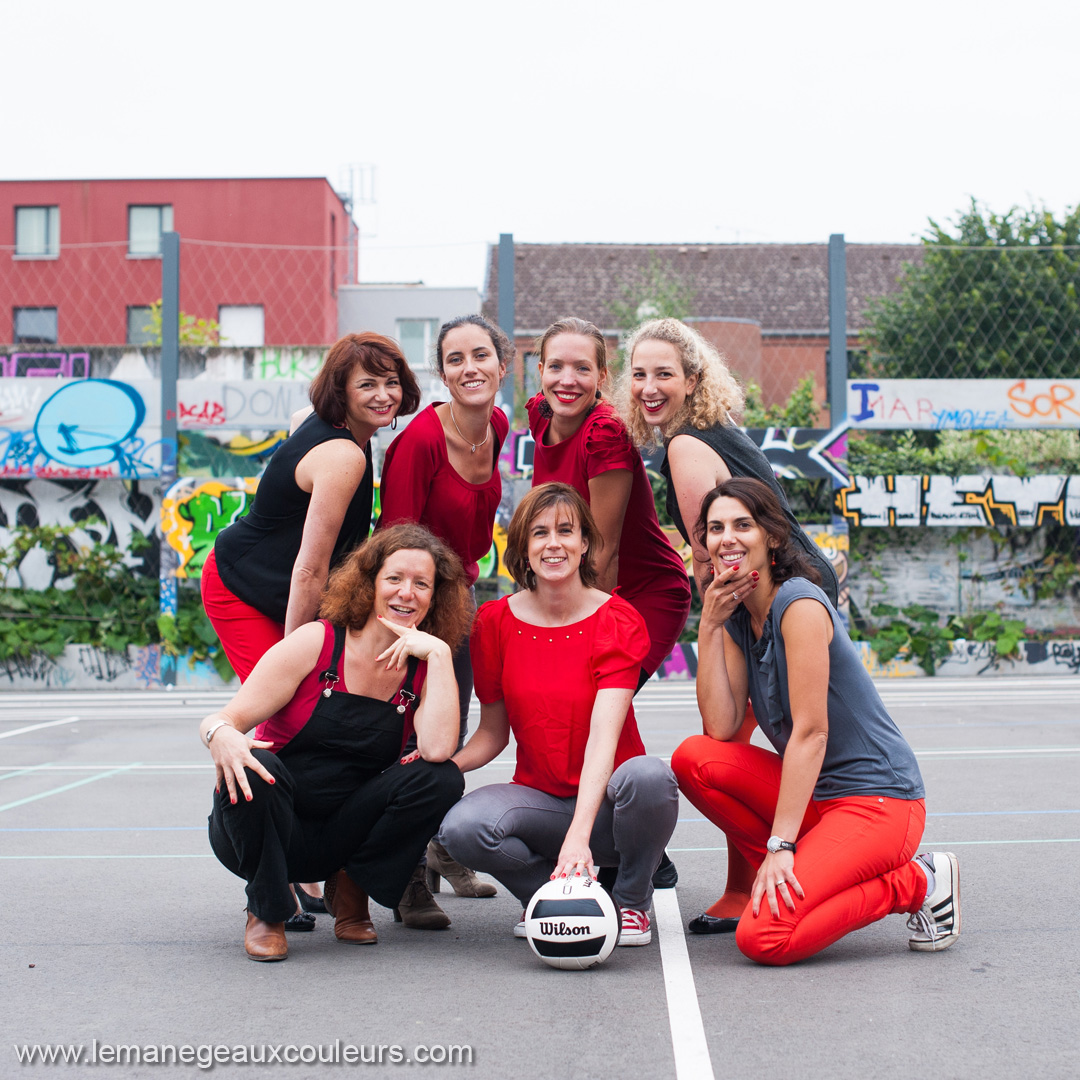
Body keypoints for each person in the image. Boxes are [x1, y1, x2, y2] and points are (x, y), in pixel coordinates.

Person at [671, 478, 960, 965]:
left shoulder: (798, 604)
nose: (727, 538)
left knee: (764, 939)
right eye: (716, 528)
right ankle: (798, 876)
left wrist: (781, 844)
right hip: (816, 798)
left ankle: (918, 881)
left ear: (773, 538)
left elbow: (811, 733)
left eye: (743, 525)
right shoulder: (739, 614)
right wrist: (711, 623)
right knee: (693, 759)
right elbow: (720, 728)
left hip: (878, 802)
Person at [619, 316, 840, 933]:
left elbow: (715, 554)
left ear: (692, 380)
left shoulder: (686, 446)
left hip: (767, 599)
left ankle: (753, 885)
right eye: (638, 375)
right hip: (797, 582)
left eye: (664, 373)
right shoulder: (718, 430)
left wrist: (714, 626)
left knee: (732, 748)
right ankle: (752, 881)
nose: (648, 386)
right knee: (761, 740)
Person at [200, 524, 471, 962]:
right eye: (395, 579)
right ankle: (267, 911)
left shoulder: (425, 668)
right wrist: (221, 736)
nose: (407, 593)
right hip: (269, 822)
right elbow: (225, 718)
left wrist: (440, 654)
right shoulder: (318, 641)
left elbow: (439, 751)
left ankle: (350, 888)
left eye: (422, 584)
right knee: (251, 763)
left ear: (435, 596)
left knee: (439, 778)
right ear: (370, 582)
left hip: (343, 831)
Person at [438, 484, 679, 946]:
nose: (554, 543)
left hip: (612, 810)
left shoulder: (617, 620)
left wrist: (579, 837)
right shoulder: (494, 623)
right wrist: (441, 768)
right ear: (523, 549)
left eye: (566, 531)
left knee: (651, 778)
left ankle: (630, 903)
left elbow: (603, 741)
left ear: (585, 543)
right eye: (539, 533)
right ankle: (547, 900)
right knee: (462, 828)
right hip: (542, 805)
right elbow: (493, 733)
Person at [377, 314, 510, 902]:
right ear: (441, 372)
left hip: (462, 596)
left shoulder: (498, 426)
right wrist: (401, 623)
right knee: (412, 735)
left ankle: (438, 850)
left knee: (450, 734)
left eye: (480, 355)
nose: (469, 368)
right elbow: (394, 542)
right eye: (455, 359)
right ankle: (406, 878)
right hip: (414, 600)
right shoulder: (422, 440)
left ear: (502, 366)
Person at [202, 331, 421, 680]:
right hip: (242, 586)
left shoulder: (322, 421)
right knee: (282, 703)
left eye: (391, 382)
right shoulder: (343, 455)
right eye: (367, 385)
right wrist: (294, 662)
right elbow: (310, 570)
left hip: (276, 585)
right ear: (341, 392)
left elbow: (297, 421)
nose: (384, 396)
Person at [527, 317, 691, 687]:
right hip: (579, 589)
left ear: (602, 376)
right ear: (540, 370)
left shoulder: (605, 435)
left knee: (592, 703)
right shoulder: (541, 414)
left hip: (640, 593)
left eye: (582, 368)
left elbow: (603, 554)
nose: (566, 380)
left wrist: (576, 636)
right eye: (556, 366)